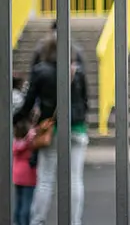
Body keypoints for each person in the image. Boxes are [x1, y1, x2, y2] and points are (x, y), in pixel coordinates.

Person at [14, 37, 90, 225]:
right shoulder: (76, 71)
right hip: (77, 127)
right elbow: (85, 100)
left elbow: (29, 102)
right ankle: (74, 221)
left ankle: (38, 220)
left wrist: (15, 120)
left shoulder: (40, 71)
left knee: (46, 178)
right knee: (75, 178)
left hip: (51, 128)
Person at [13, 120, 36, 225]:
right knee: (27, 204)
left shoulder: (15, 143)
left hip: (17, 176)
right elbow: (32, 135)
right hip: (28, 176)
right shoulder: (29, 143)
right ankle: (24, 223)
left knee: (18, 202)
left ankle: (16, 222)